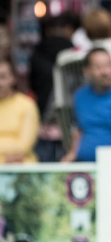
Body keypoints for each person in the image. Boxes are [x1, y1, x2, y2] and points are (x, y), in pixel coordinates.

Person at [30, 14, 74, 162]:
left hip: (43, 121)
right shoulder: (73, 54)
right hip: (69, 120)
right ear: (68, 29)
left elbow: (33, 85)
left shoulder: (36, 54)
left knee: (45, 169)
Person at [0, 57, 39, 164]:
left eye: (2, 77)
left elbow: (24, 146)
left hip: (21, 169)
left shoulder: (27, 105)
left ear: (13, 78)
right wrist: (4, 159)